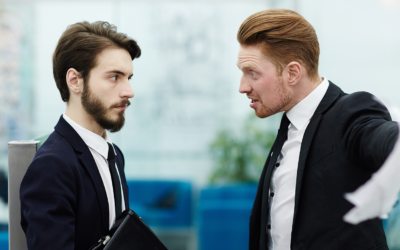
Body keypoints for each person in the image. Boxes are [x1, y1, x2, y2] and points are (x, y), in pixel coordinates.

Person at [236, 9, 398, 250]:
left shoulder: (350, 113)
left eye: (252, 73)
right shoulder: (289, 126)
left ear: (292, 73)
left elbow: (386, 140)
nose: (242, 87)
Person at [20, 21, 141, 250]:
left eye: (129, 78)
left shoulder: (115, 155)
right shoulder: (52, 165)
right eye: (114, 77)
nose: (129, 92)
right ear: (75, 80)